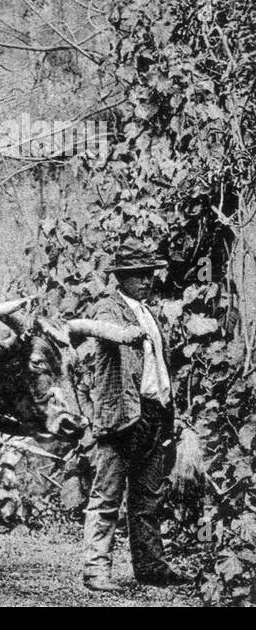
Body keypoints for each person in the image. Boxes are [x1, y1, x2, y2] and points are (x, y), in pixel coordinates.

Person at [80, 254, 189, 592]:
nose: (147, 281)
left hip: (155, 414)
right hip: (123, 414)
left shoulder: (148, 313)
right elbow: (108, 332)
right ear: (121, 279)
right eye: (138, 275)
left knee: (148, 497)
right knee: (107, 495)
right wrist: (126, 333)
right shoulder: (109, 309)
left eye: (149, 275)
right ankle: (96, 571)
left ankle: (151, 568)